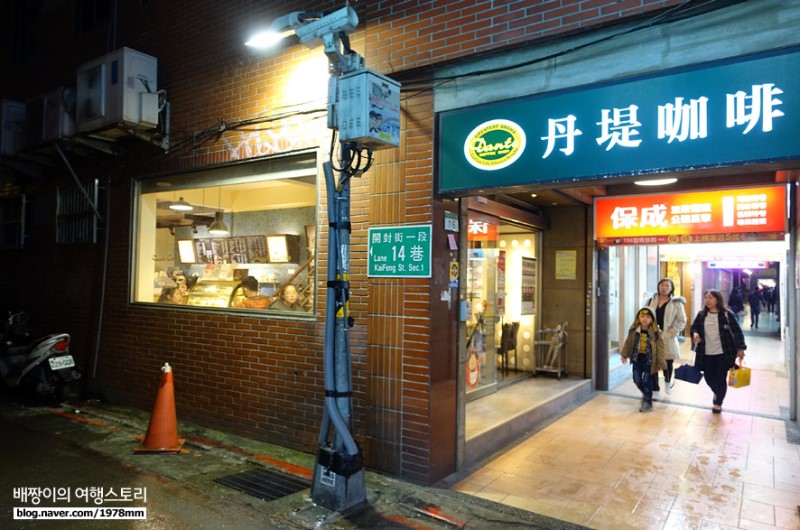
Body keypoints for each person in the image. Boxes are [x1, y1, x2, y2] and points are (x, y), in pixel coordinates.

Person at [690, 290, 746, 414]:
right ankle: (718, 392)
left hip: (723, 353)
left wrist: (741, 348)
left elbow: (737, 332)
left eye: (710, 298)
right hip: (706, 353)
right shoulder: (701, 315)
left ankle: (718, 403)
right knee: (709, 377)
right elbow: (694, 327)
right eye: (706, 298)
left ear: (717, 299)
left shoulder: (727, 315)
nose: (707, 300)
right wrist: (695, 333)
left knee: (720, 379)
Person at [645, 278, 686, 396]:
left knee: (667, 363)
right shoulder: (650, 301)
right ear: (658, 286)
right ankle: (655, 388)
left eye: (667, 286)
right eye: (662, 285)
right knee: (651, 363)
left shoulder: (676, 303)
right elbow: (643, 316)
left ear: (671, 288)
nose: (664, 288)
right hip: (652, 337)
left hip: (667, 338)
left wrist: (671, 333)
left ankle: (667, 383)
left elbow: (682, 320)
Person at [620, 307, 667, 413]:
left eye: (648, 317)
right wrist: (624, 355)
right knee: (636, 379)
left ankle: (648, 402)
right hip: (637, 359)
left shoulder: (656, 332)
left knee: (647, 380)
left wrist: (661, 363)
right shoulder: (634, 330)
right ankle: (646, 395)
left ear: (652, 319)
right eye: (642, 316)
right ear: (638, 318)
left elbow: (660, 348)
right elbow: (628, 343)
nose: (645, 319)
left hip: (649, 361)